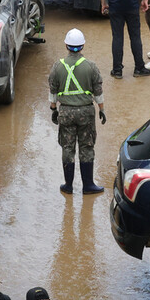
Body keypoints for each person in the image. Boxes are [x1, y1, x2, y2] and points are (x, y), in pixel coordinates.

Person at [48, 29, 105, 194]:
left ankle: (68, 186)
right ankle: (88, 186)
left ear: (66, 45)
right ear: (83, 46)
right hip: (86, 113)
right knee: (87, 147)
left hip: (65, 112)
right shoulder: (91, 66)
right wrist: (102, 110)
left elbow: (52, 91)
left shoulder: (57, 66)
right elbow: (98, 92)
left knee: (68, 147)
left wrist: (53, 109)